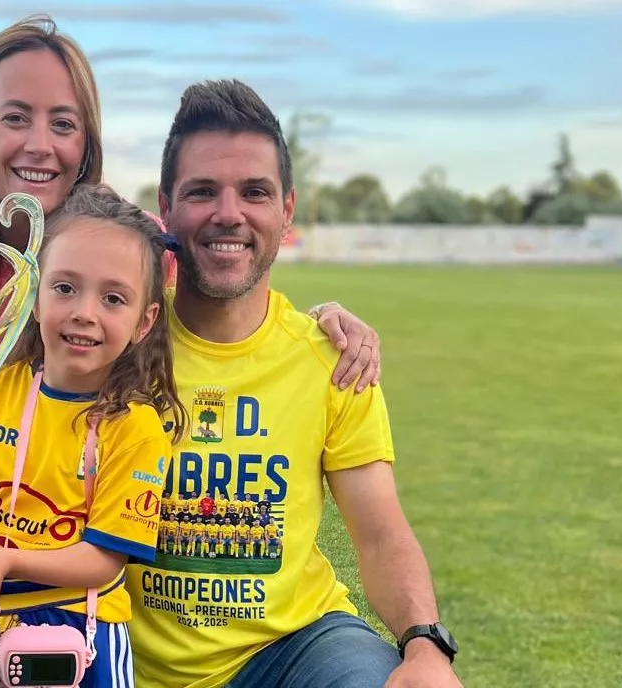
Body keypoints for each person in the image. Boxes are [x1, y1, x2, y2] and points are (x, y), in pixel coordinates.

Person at [0, 14, 385, 683]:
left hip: (72, 577)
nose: (40, 144)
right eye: (15, 117)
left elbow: (219, 295)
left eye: (63, 122)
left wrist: (326, 323)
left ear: (87, 141)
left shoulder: (123, 242)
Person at [122, 78, 462, 687]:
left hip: (294, 647)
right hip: (128, 656)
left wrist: (425, 645)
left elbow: (381, 531)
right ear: (165, 206)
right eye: (203, 191)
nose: (230, 213)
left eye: (255, 192)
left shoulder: (335, 359)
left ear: (286, 210)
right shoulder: (117, 348)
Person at [0, 184, 186, 686]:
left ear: (144, 322)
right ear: (34, 297)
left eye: (113, 298)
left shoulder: (136, 428)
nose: (84, 312)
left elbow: (101, 562)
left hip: (85, 627)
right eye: (65, 287)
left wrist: (5, 561)